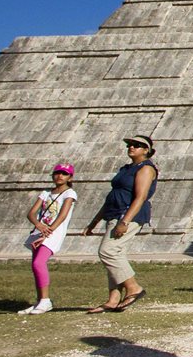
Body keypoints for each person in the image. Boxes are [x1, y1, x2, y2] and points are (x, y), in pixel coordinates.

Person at [82, 134, 159, 313]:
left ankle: (134, 288)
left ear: (146, 150)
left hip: (128, 216)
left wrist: (125, 221)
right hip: (114, 213)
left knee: (108, 252)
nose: (131, 147)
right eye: (130, 144)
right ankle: (113, 299)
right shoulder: (126, 168)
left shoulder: (146, 169)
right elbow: (111, 197)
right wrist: (94, 222)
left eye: (137, 145)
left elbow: (140, 197)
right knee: (117, 256)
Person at [16, 163, 79, 315]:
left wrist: (47, 231)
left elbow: (63, 215)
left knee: (39, 263)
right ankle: (39, 301)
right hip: (39, 231)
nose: (60, 176)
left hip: (53, 233)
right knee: (35, 266)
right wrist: (39, 226)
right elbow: (31, 213)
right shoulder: (45, 193)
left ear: (70, 177)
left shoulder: (69, 194)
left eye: (64, 174)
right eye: (57, 173)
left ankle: (45, 301)